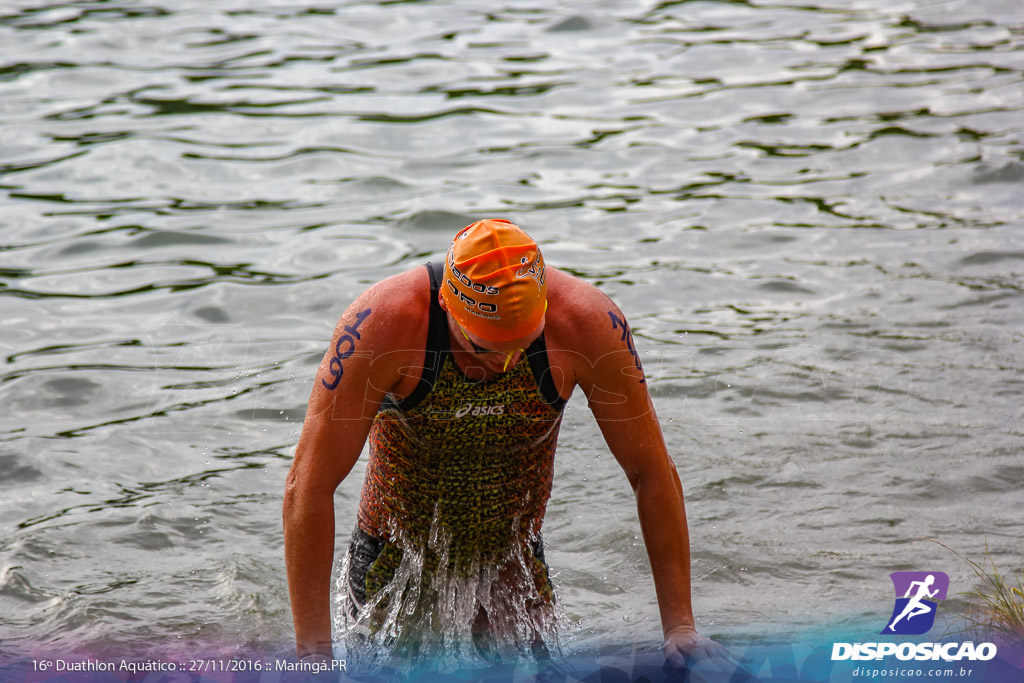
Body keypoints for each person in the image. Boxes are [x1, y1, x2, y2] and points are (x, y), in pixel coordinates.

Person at [283, 219, 727, 668]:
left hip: (513, 565)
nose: (508, 362)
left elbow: (650, 471)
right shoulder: (385, 325)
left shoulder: (585, 323)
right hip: (394, 566)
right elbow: (309, 486)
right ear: (446, 306)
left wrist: (680, 628)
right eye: (487, 348)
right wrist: (314, 657)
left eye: (523, 344)